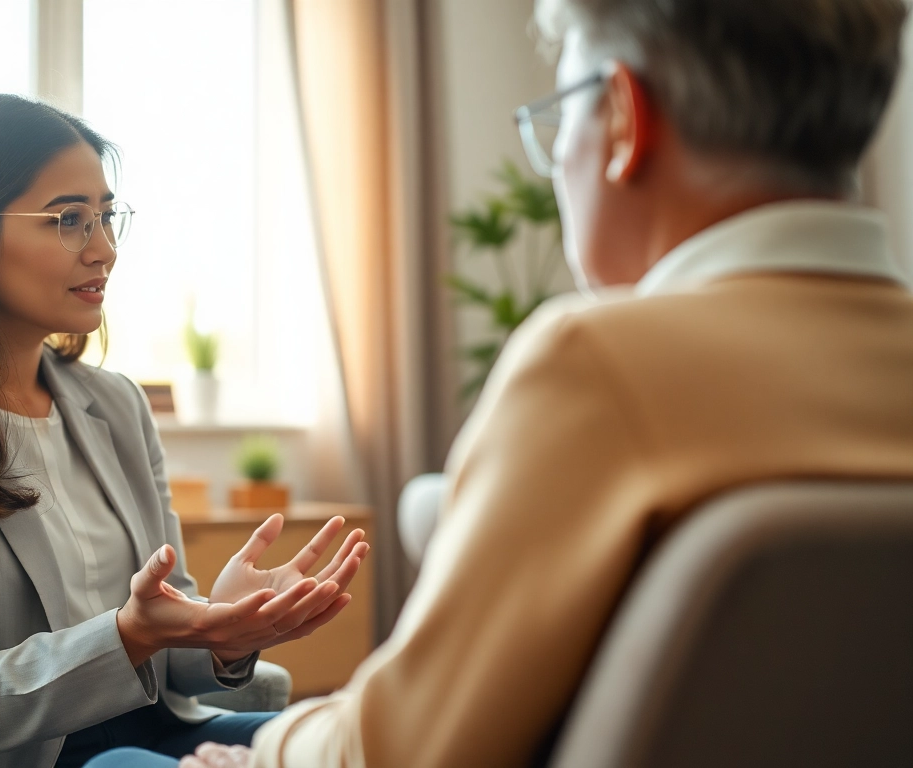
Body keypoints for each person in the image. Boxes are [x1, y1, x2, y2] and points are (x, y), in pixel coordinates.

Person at [182, 0, 913, 766]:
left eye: (562, 117)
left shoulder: (598, 364)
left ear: (626, 121)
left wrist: (267, 749)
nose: (559, 156)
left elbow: (404, 751)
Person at [0, 85, 370, 768]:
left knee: (361, 739)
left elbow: (173, 664)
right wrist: (129, 635)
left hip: (152, 736)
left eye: (106, 217)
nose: (103, 249)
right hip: (12, 759)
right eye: (69, 219)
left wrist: (222, 628)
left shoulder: (116, 405)